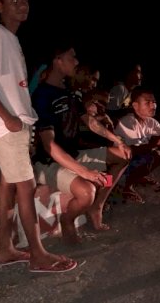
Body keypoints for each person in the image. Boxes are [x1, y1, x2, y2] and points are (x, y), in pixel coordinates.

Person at [0, 0, 77, 273]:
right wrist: (7, 117)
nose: (22, 3)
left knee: (8, 183)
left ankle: (4, 249)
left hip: (14, 123)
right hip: (7, 126)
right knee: (26, 187)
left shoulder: (9, 38)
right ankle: (38, 255)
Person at [31, 40, 130, 244]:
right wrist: (85, 172)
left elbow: (89, 121)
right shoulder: (42, 96)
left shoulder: (67, 90)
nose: (76, 62)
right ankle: (68, 221)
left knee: (124, 155)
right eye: (71, 57)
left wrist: (116, 139)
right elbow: (49, 146)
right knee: (87, 191)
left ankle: (98, 206)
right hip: (50, 163)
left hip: (73, 154)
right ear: (58, 61)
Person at [114, 87, 160, 202]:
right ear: (135, 106)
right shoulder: (128, 122)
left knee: (155, 155)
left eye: (154, 102)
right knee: (150, 156)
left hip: (131, 159)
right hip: (116, 165)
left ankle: (136, 178)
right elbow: (132, 151)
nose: (153, 106)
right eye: (147, 103)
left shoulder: (150, 121)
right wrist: (159, 142)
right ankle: (123, 186)